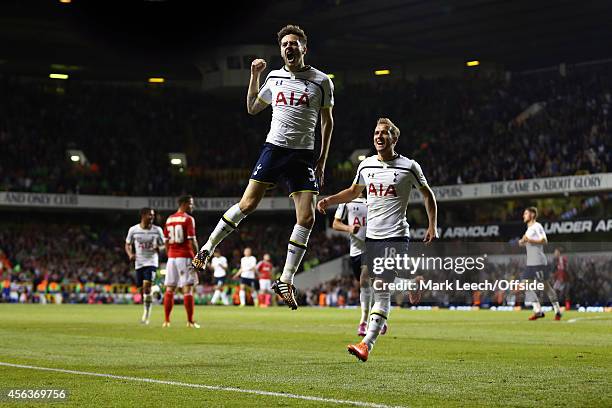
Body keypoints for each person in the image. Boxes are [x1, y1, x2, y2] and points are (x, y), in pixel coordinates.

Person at [191, 24, 334, 310]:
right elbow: (253, 107)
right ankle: (207, 248)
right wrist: (254, 76)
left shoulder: (321, 81)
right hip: (274, 149)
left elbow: (327, 122)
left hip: (303, 155)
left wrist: (322, 161)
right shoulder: (274, 76)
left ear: (304, 48)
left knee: (307, 219)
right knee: (247, 204)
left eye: (294, 43)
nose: (289, 48)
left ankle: (285, 279)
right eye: (284, 45)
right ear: (281, 50)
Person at [317, 118, 438, 362]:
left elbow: (428, 195)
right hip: (372, 237)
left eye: (384, 133)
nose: (379, 136)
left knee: (381, 287)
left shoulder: (409, 166)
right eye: (376, 133)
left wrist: (432, 225)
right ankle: (412, 282)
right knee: (378, 287)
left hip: (395, 234)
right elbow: (353, 192)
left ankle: (366, 344)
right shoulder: (366, 166)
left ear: (394, 138)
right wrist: (330, 200)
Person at [332, 192, 387, 336]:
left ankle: (364, 322)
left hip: (373, 247)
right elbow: (335, 223)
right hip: (355, 251)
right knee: (367, 285)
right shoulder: (347, 201)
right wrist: (349, 228)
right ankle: (380, 316)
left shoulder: (375, 201)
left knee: (366, 280)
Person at [163, 195, 200, 328]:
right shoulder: (188, 219)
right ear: (184, 203)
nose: (192, 206)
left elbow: (166, 241)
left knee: (170, 289)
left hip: (171, 257)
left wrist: (170, 254)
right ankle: (190, 321)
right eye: (190, 203)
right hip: (185, 256)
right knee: (187, 289)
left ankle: (166, 321)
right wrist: (199, 256)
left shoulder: (169, 219)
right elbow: (191, 240)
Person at [518, 207, 562, 321]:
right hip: (531, 262)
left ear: (532, 215)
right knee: (525, 285)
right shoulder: (529, 229)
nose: (523, 216)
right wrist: (522, 241)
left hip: (538, 261)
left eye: (525, 213)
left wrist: (529, 241)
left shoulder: (537, 226)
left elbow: (544, 240)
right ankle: (538, 310)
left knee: (546, 286)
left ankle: (557, 310)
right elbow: (526, 240)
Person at [125, 207, 165, 325]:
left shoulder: (157, 230)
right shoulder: (133, 230)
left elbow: (165, 245)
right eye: (150, 215)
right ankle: (157, 288)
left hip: (151, 262)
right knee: (142, 291)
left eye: (153, 215)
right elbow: (128, 244)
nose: (152, 217)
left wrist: (159, 248)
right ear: (143, 216)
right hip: (139, 263)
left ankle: (146, 316)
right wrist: (130, 254)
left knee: (146, 287)